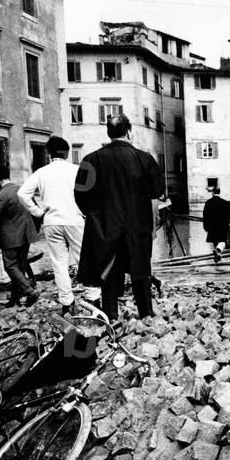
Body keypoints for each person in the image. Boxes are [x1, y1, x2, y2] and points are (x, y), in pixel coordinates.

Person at [75, 114, 165, 320]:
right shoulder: (145, 159)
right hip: (138, 225)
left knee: (109, 272)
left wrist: (95, 215)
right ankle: (146, 314)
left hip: (105, 226)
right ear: (129, 132)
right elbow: (157, 190)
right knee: (141, 269)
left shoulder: (91, 160)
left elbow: (80, 194)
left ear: (108, 133)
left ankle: (111, 315)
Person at [18, 136, 93, 315]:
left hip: (51, 221)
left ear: (49, 153)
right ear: (67, 153)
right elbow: (91, 194)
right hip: (75, 219)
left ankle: (67, 302)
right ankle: (93, 297)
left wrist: (37, 211)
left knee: (59, 264)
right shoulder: (77, 170)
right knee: (85, 259)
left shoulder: (42, 172)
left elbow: (22, 194)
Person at [0, 166, 39, 308]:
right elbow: (36, 211)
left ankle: (29, 291)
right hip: (26, 235)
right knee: (20, 268)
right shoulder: (24, 190)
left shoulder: (1, 195)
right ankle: (15, 300)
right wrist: (33, 230)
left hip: (11, 238)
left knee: (10, 266)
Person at [202, 187, 230, 263]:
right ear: (219, 192)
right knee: (222, 241)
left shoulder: (208, 202)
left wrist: (205, 226)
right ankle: (218, 252)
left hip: (212, 226)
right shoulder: (225, 202)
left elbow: (205, 215)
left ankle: (217, 256)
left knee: (215, 241)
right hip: (222, 226)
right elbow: (228, 215)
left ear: (212, 193)